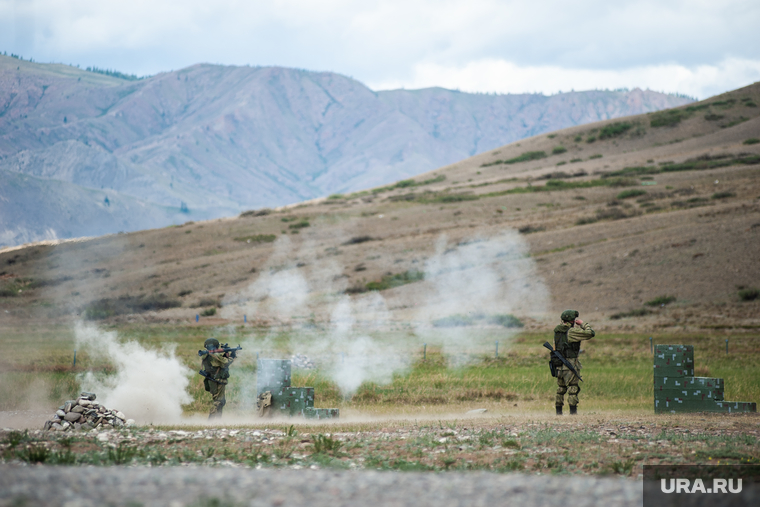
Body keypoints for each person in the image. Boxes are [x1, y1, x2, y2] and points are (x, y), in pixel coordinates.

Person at [552, 310, 595, 415]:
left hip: (558, 365)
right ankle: (573, 413)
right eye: (573, 319)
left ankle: (558, 413)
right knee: (573, 388)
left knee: (561, 389)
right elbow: (590, 333)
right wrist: (583, 324)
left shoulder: (557, 331)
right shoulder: (571, 331)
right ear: (571, 320)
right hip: (570, 364)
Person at [201, 338, 233, 419]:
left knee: (220, 401)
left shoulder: (206, 354)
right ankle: (211, 420)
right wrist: (232, 356)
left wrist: (225, 355)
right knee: (218, 402)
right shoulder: (214, 354)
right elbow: (225, 363)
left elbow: (218, 363)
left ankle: (217, 420)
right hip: (218, 380)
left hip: (213, 380)